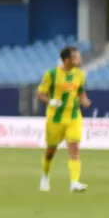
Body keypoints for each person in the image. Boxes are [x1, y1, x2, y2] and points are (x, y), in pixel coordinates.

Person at [38, 46, 90, 192]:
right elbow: (40, 93)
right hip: (55, 119)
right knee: (50, 151)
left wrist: (84, 100)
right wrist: (51, 101)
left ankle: (74, 182)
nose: (79, 59)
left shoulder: (79, 74)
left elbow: (80, 92)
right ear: (67, 60)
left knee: (74, 148)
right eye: (76, 57)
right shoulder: (51, 74)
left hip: (73, 116)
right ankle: (45, 176)